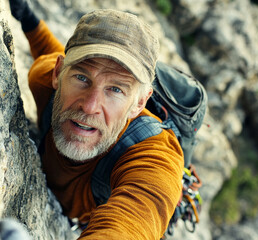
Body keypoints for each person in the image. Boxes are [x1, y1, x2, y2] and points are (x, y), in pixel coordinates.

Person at [9, 0, 183, 239]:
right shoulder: (43, 79)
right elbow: (50, 50)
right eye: (82, 77)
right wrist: (29, 20)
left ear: (140, 103)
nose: (89, 106)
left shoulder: (154, 157)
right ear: (58, 74)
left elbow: (129, 225)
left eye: (116, 90)